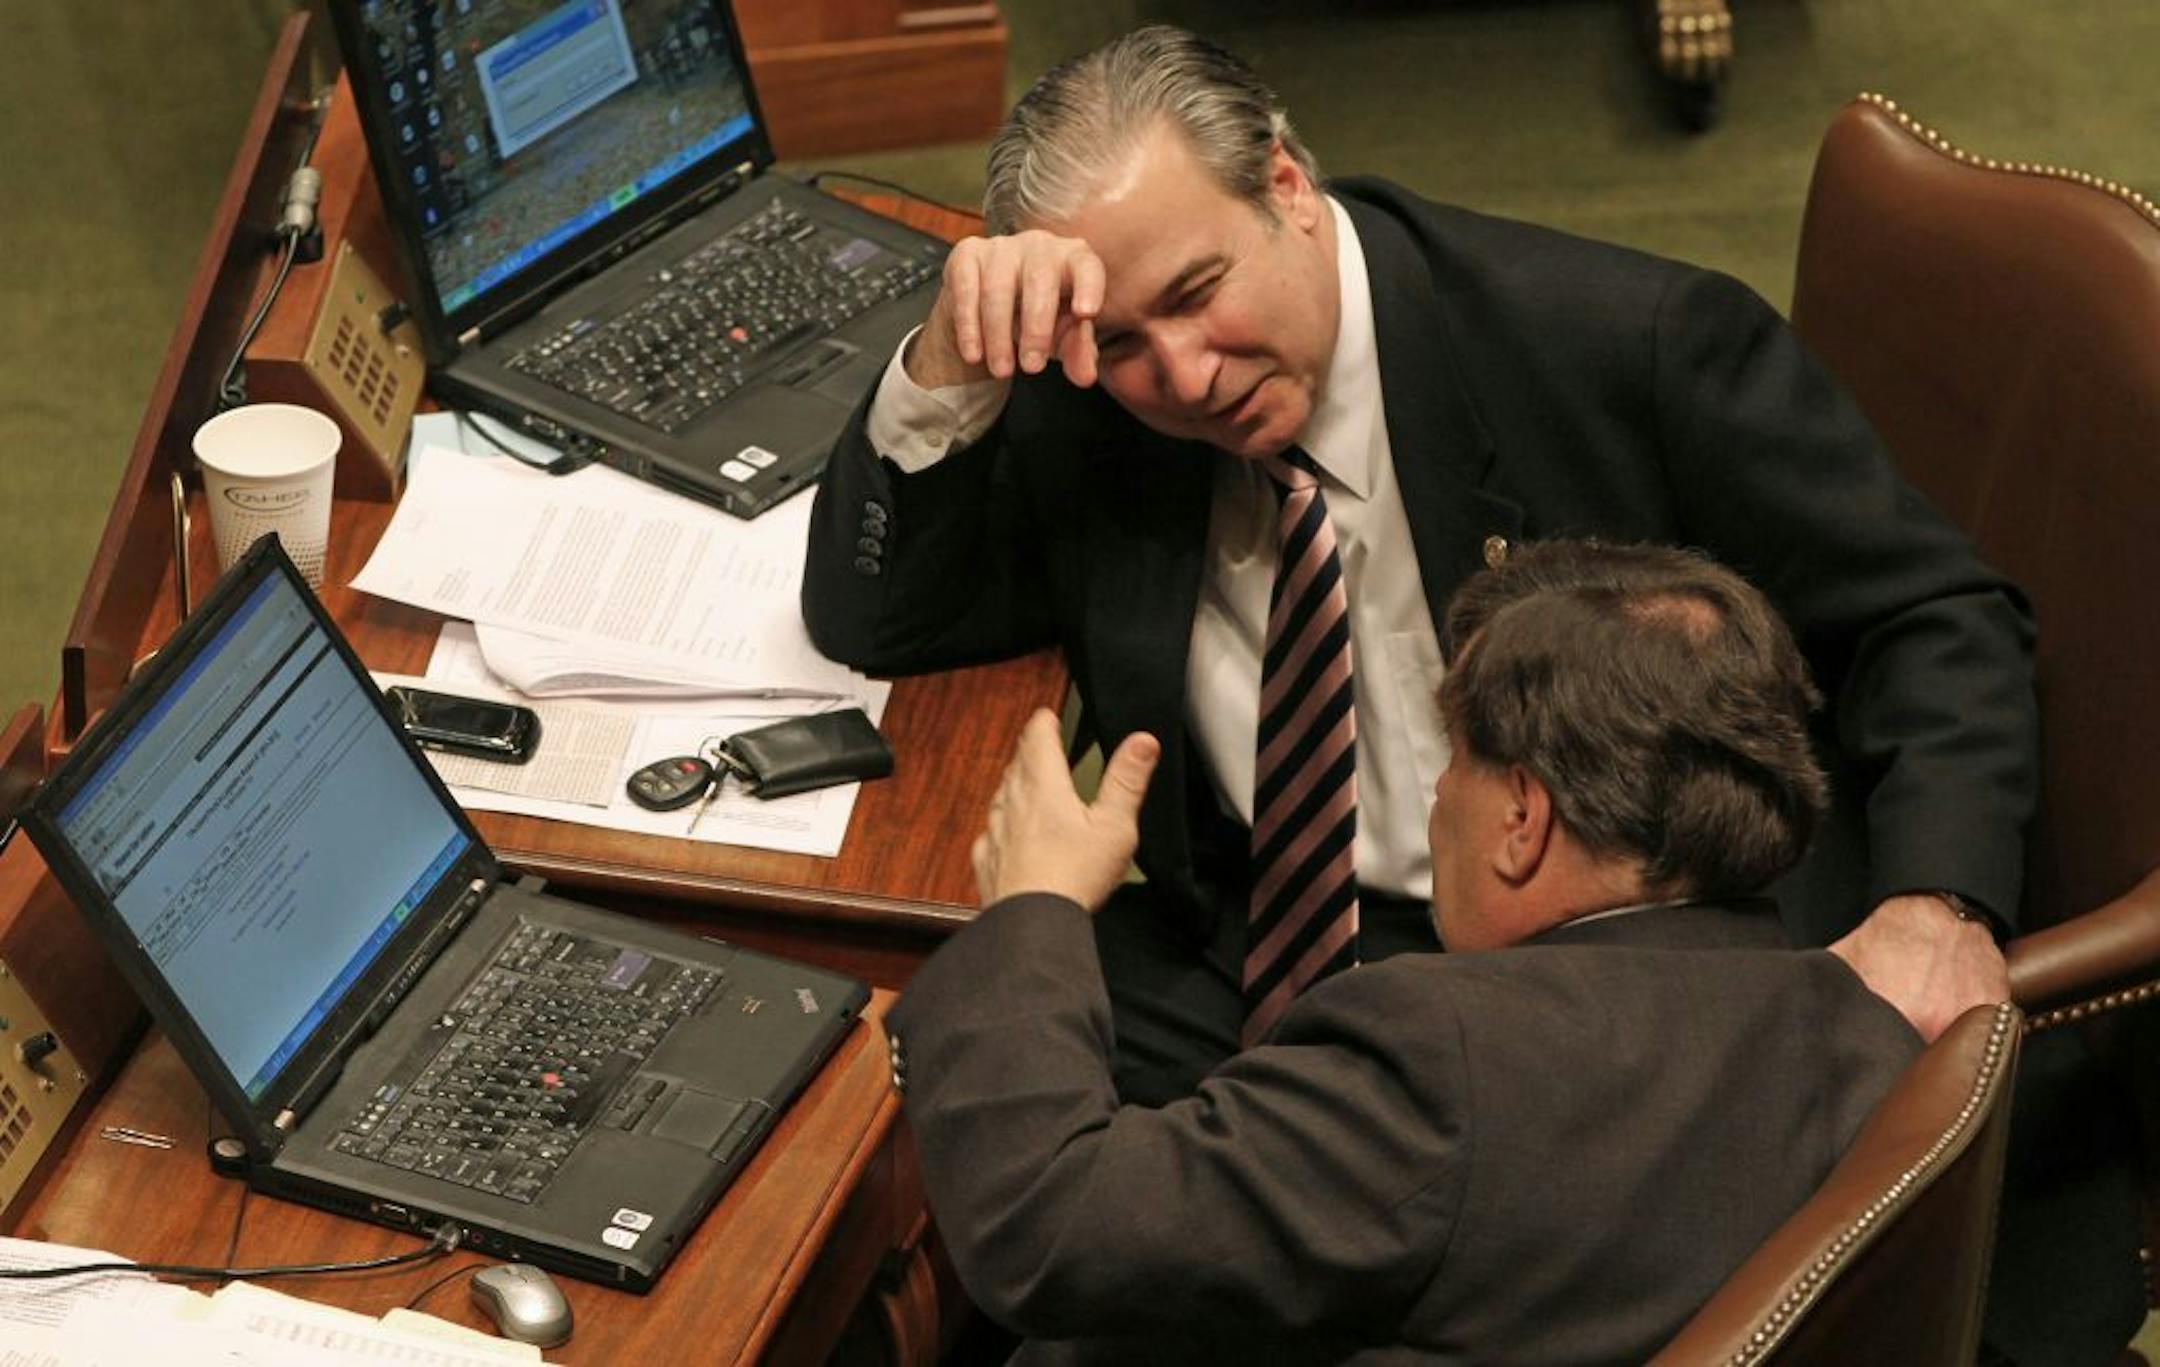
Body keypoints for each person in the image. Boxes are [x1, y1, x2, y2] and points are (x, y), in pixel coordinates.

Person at [802, 26, 2033, 1107]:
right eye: (1126, 339)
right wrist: (949, 367)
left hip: (1616, 963)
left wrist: (1940, 902)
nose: (1184, 375)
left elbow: (1934, 616)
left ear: (1286, 184)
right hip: (1257, 944)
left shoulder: (1625, 344)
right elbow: (881, 616)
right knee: (905, 1070)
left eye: (1201, 292)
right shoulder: (1095, 389)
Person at [887, 540, 1924, 1364]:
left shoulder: (1444, 1057)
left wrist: (1033, 907)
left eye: (1459, 763)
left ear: (1523, 818)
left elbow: (1050, 1227)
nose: (1435, 797)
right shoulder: (1869, 1040)